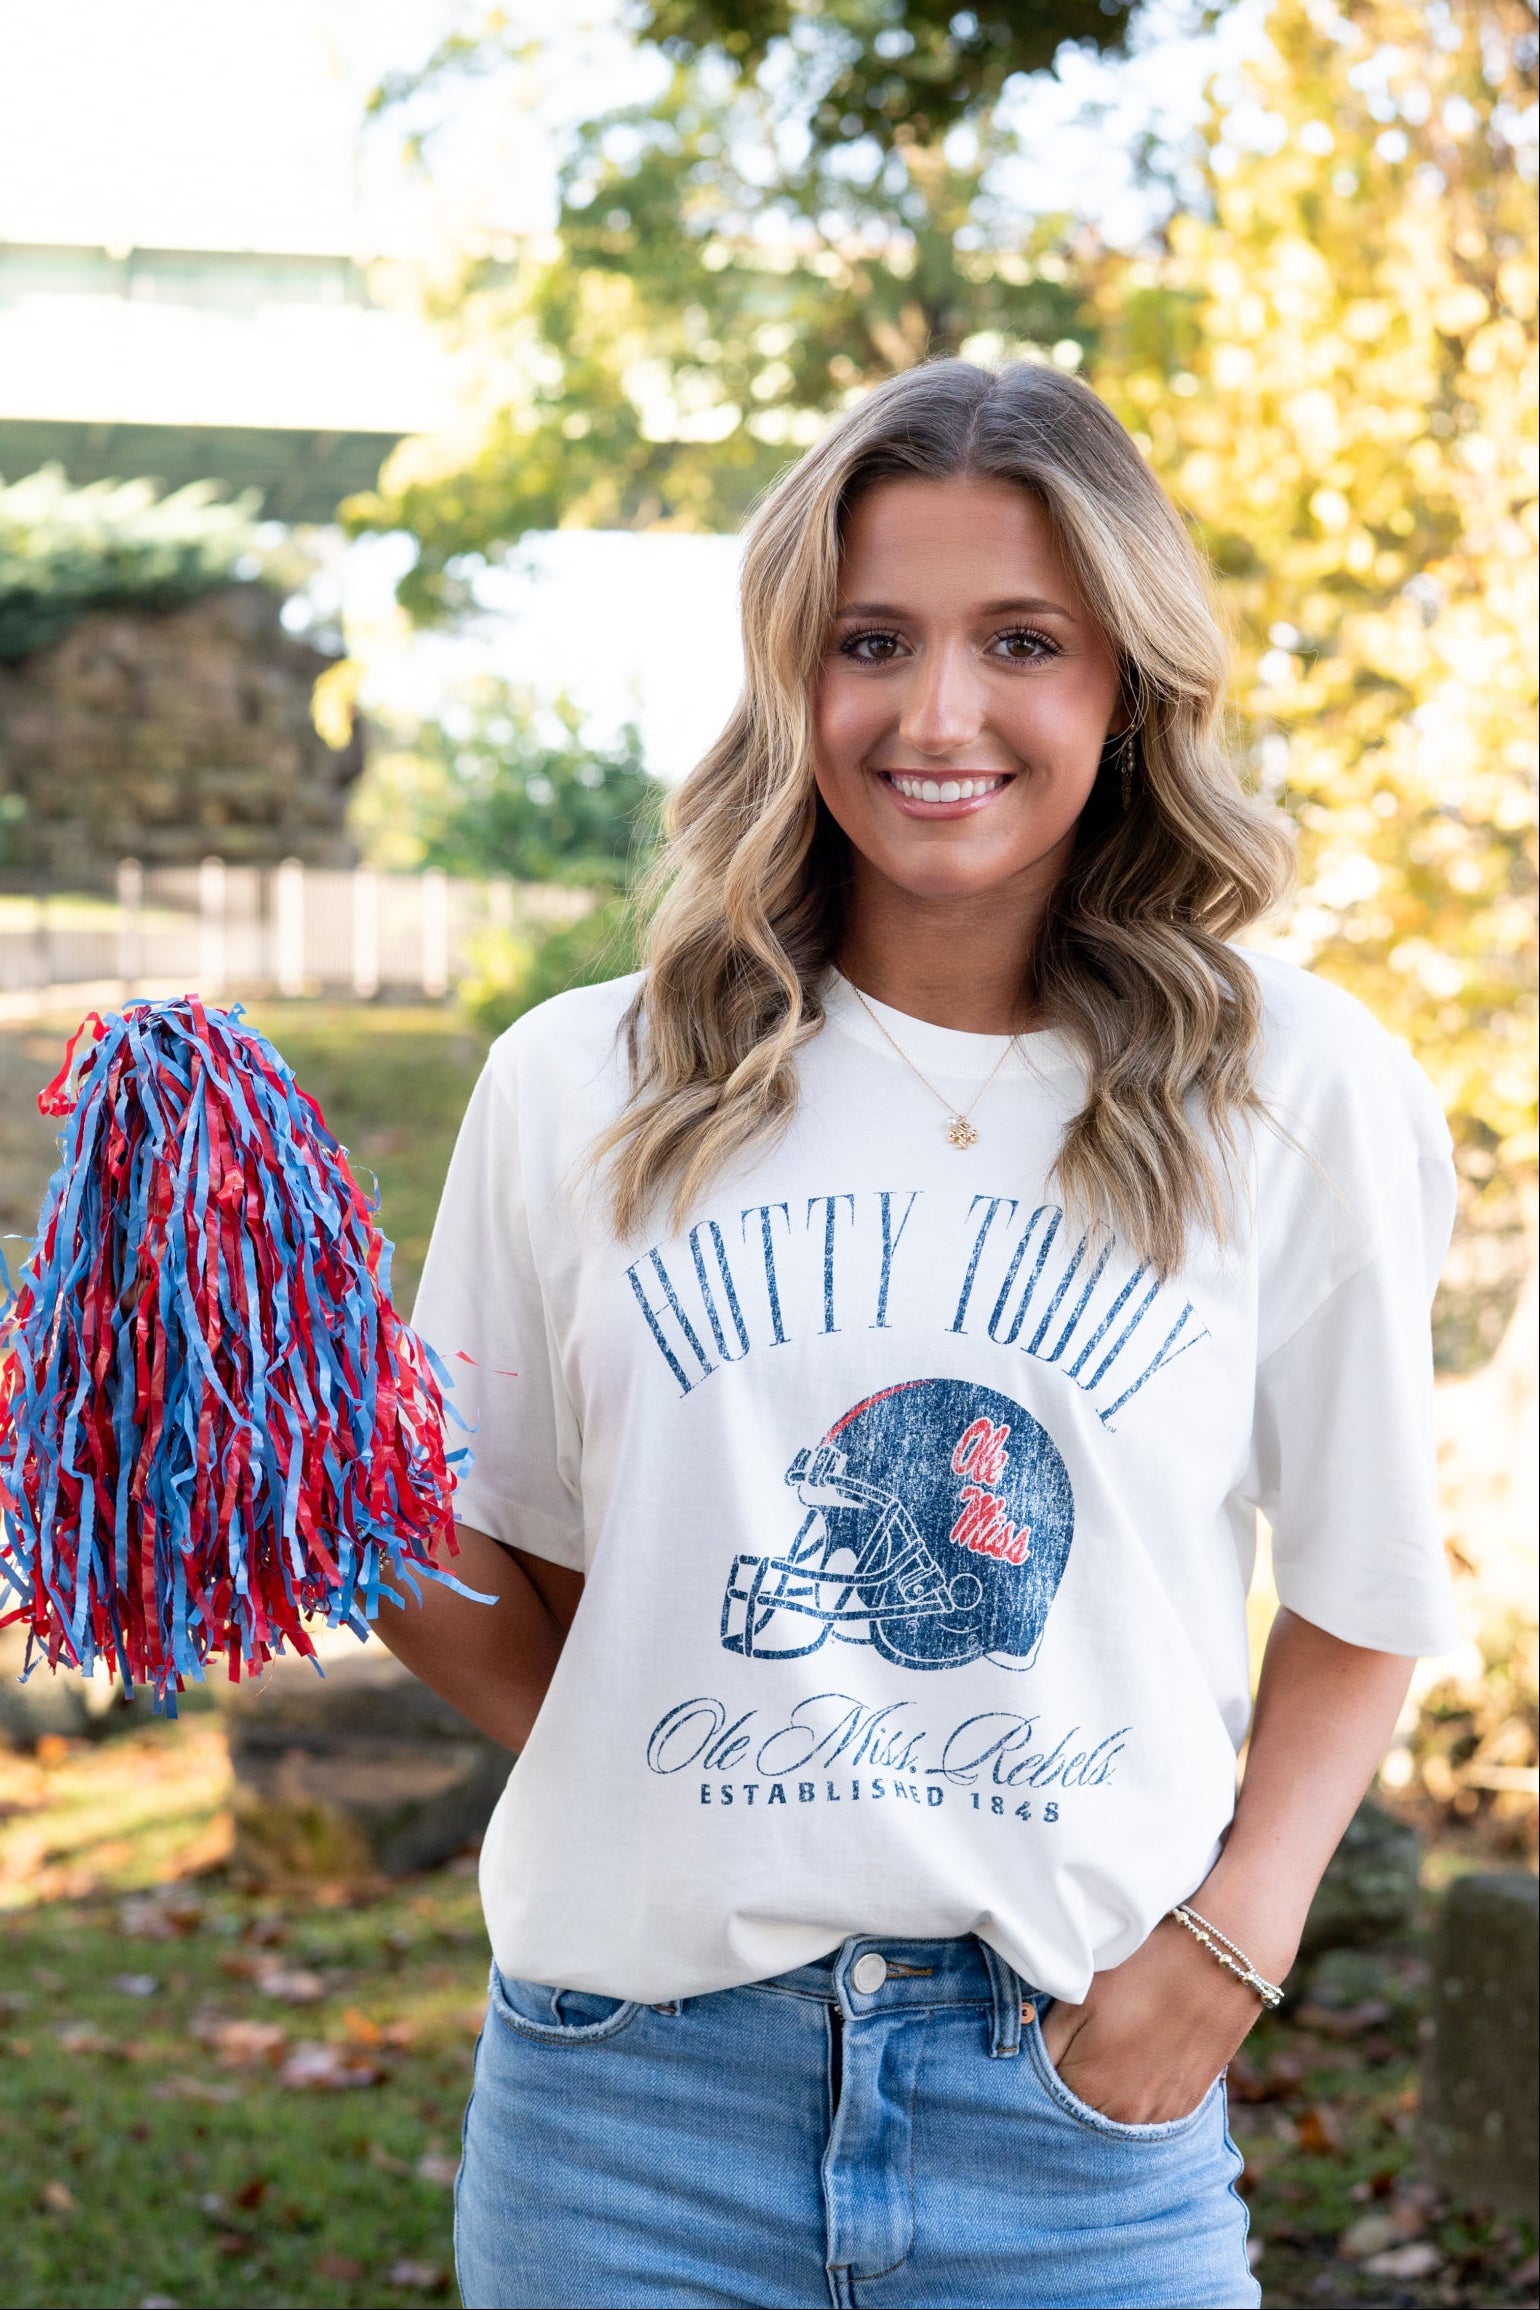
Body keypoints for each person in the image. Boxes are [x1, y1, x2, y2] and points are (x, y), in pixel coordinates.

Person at [383, 360, 1456, 2310]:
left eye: (1019, 643)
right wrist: (269, 1457)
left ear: (1122, 686)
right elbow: (519, 1608)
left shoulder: (1290, 1085)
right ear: (790, 672)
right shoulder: (582, 1084)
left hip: (1066, 2108)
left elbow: (1367, 1581)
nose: (934, 714)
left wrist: (1216, 1962)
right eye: (869, 639)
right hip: (629, 2121)